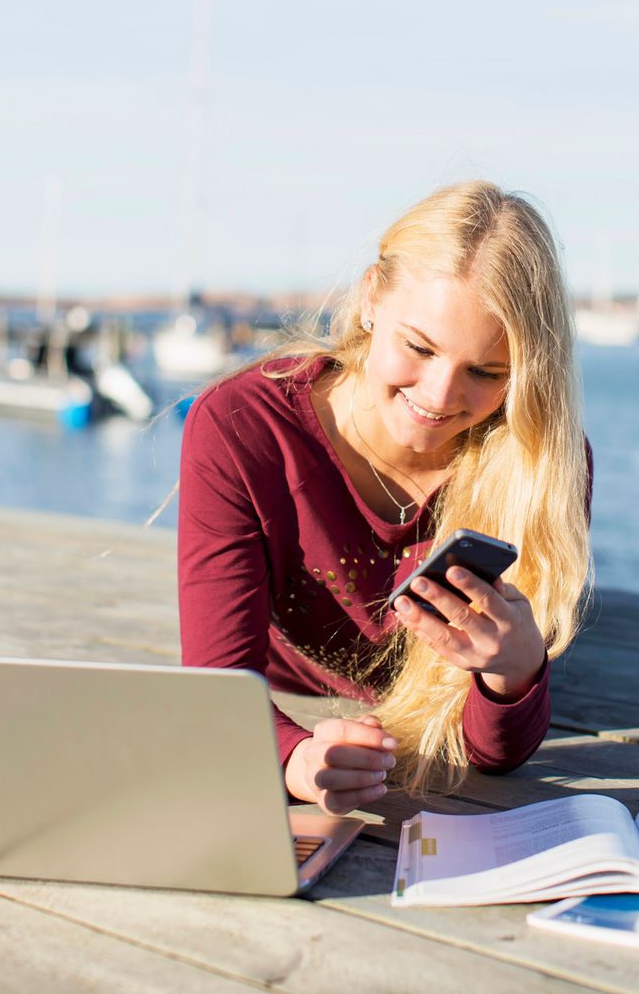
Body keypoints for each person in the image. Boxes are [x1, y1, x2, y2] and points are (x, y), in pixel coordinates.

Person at [178, 180, 592, 815]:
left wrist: (516, 669)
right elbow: (217, 691)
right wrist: (294, 757)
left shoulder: (538, 463)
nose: (440, 394)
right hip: (290, 696)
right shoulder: (242, 426)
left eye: (487, 372)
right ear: (372, 297)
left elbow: (493, 755)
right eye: (419, 347)